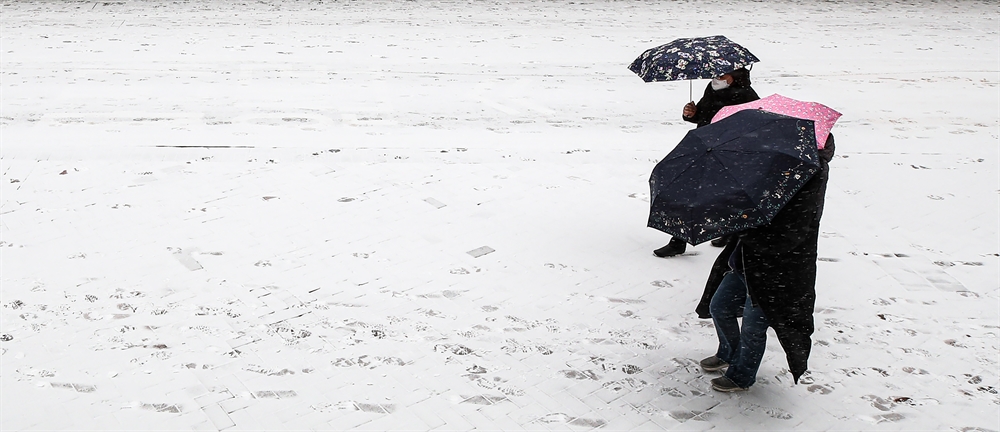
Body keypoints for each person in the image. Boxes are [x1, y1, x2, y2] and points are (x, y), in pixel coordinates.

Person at [697, 134, 836, 392]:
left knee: (753, 326)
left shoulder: (809, 180)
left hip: (775, 273)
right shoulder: (772, 169)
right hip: (745, 261)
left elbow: (788, 234)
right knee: (720, 307)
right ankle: (728, 353)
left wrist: (748, 222)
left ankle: (741, 376)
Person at [654, 67, 760, 258]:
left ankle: (729, 232)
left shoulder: (747, 96)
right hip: (703, 144)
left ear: (734, 77)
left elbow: (751, 126)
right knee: (689, 190)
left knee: (725, 193)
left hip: (728, 151)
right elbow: (703, 115)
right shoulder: (712, 89)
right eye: (716, 74)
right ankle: (678, 240)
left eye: (722, 75)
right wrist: (692, 114)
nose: (717, 79)